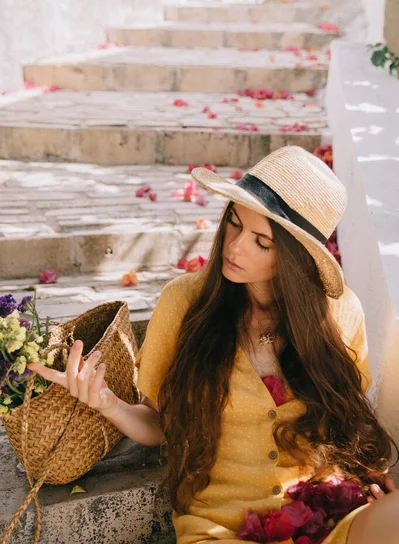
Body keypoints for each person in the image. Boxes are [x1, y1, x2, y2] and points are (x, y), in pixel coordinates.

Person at [29, 146, 399, 544]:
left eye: (261, 241)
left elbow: (347, 421)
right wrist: (108, 403)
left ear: (296, 259)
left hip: (324, 520)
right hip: (221, 529)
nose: (235, 246)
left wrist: (371, 480)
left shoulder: (339, 312)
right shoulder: (184, 303)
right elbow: (160, 424)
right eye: (235, 223)